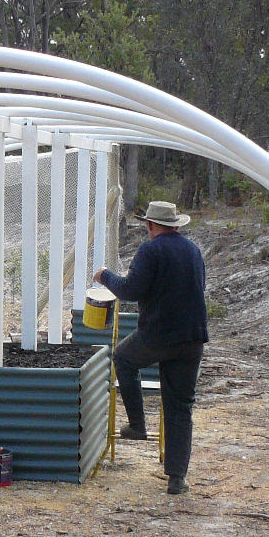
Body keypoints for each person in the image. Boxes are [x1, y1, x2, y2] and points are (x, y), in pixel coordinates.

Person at [93, 199, 208, 495]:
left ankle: (138, 425)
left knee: (123, 358)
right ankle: (176, 478)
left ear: (150, 225)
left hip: (158, 336)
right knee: (180, 407)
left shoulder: (150, 250)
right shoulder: (193, 250)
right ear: (176, 224)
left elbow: (130, 290)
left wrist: (105, 276)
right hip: (192, 338)